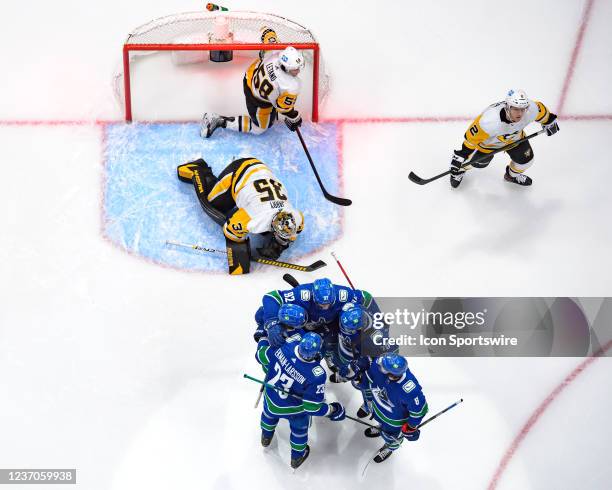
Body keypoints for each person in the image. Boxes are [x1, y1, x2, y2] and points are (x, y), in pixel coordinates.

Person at [176, 157, 303, 274]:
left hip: (262, 172)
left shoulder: (297, 219)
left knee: (261, 225)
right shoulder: (253, 217)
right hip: (239, 172)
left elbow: (291, 231)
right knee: (213, 205)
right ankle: (198, 169)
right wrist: (240, 256)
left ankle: (246, 198)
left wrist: (279, 244)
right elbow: (230, 231)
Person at [255, 332, 346, 469]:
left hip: (271, 399)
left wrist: (263, 338)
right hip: (294, 410)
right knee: (299, 431)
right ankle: (297, 457)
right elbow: (312, 408)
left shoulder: (285, 346)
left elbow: (261, 356)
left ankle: (266, 437)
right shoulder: (316, 375)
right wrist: (332, 410)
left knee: (268, 416)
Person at [201, 27, 304, 138]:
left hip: (250, 76)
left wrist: (267, 31)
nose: (298, 71)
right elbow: (283, 109)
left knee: (275, 97)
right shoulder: (292, 87)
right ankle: (220, 120)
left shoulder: (275, 50)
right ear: (285, 67)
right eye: (294, 69)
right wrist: (294, 116)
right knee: (260, 128)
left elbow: (267, 33)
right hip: (258, 100)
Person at [450, 89, 559, 188]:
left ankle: (511, 176)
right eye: (516, 109)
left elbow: (543, 113)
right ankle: (460, 170)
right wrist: (462, 155)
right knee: (478, 163)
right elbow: (471, 140)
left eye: (522, 109)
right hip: (488, 145)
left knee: (526, 161)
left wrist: (549, 121)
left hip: (515, 140)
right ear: (507, 107)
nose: (520, 114)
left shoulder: (531, 109)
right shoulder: (489, 121)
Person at [341, 353, 428, 463]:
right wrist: (357, 377)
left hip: (394, 420)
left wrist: (411, 427)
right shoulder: (381, 364)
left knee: (392, 436)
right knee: (381, 423)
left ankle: (390, 447)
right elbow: (369, 379)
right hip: (379, 408)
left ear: (392, 374)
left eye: (384, 368)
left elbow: (419, 410)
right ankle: (381, 428)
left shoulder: (410, 390)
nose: (380, 366)